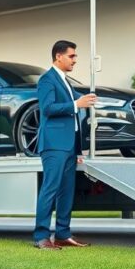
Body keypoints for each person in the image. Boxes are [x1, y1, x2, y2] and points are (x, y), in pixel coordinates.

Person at [33, 39, 97, 250]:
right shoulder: (47, 80)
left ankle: (62, 234)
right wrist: (76, 104)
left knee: (66, 191)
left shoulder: (65, 81)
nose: (75, 60)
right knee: (50, 189)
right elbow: (48, 108)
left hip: (69, 146)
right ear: (58, 56)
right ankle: (41, 237)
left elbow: (76, 110)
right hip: (54, 144)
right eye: (71, 56)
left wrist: (77, 150)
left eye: (75, 56)